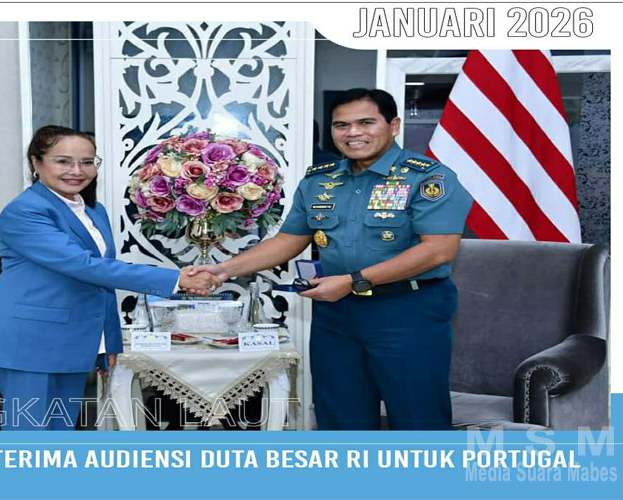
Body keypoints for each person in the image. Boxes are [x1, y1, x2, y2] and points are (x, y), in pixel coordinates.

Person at [191, 89, 473, 430]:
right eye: (342, 125)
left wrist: (354, 281)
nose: (353, 133)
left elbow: (438, 249)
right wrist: (223, 270)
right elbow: (288, 240)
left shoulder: (427, 178)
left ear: (394, 125)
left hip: (408, 311)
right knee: (339, 418)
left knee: (418, 419)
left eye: (366, 122)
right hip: (336, 315)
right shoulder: (320, 180)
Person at [0, 125, 219, 430]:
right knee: (27, 438)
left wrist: (108, 341)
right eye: (63, 161)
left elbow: (100, 281)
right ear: (36, 162)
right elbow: (83, 266)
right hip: (28, 340)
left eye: (87, 162)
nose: (77, 171)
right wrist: (176, 279)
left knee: (61, 434)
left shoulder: (93, 211)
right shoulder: (25, 211)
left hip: (71, 340)